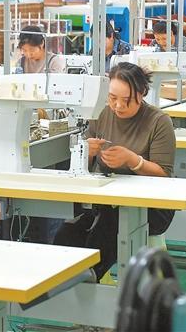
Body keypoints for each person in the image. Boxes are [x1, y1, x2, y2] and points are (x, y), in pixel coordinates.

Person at [53, 62, 175, 281]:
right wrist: (87, 153)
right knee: (67, 233)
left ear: (142, 93)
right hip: (106, 201)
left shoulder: (159, 121)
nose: (118, 106)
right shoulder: (101, 113)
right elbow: (86, 165)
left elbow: (164, 175)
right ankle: (68, 282)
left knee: (109, 225)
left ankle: (90, 278)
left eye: (126, 100)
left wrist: (134, 161)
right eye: (112, 98)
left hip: (152, 206)